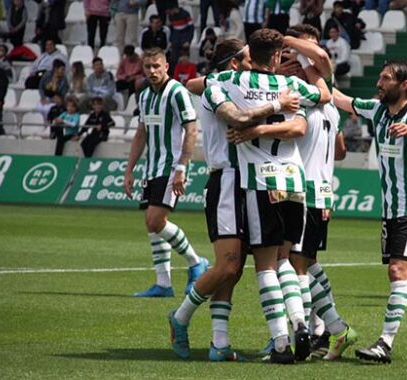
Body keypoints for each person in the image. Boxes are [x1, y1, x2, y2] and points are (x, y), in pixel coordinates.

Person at [188, 29, 327, 364]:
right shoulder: (291, 86)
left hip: (260, 181)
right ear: (278, 56)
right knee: (286, 261)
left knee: (265, 265)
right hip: (295, 182)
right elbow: (322, 95)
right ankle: (299, 321)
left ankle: (281, 342)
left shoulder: (231, 83)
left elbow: (198, 85)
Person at [167, 37, 302, 362]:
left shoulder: (240, 85)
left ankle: (219, 342)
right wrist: (277, 105)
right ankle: (180, 316)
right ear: (233, 63)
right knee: (228, 264)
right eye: (245, 58)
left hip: (254, 180)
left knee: (240, 267)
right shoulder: (219, 86)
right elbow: (236, 117)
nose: (251, 62)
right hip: (227, 179)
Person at [333, 60, 407, 364]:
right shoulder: (377, 109)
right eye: (381, 77)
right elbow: (340, 99)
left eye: (386, 79)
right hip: (391, 208)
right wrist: (313, 76)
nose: (379, 82)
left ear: (404, 85)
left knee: (397, 270)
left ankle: (384, 344)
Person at [274, 26, 358, 361]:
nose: (298, 63)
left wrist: (289, 47)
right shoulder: (328, 105)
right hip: (320, 192)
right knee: (307, 265)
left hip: (303, 191)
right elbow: (339, 151)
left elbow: (320, 59)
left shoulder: (308, 98)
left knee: (294, 266)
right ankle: (327, 330)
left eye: (303, 56)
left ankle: (310, 338)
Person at [122, 47, 209, 298]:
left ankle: (196, 262)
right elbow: (141, 134)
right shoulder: (145, 95)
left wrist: (182, 167)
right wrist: (129, 170)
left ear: (166, 67)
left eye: (156, 66)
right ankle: (163, 283)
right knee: (152, 226)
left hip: (171, 168)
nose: (152, 71)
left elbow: (191, 131)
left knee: (155, 220)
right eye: (148, 67)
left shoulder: (177, 92)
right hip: (152, 168)